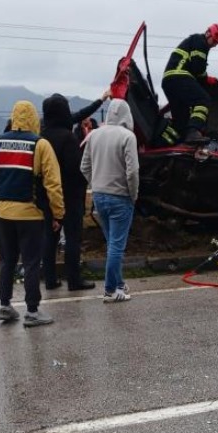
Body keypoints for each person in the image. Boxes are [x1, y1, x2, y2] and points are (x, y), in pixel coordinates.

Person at [0, 100, 64, 327]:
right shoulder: (41, 145)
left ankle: (5, 306)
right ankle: (32, 311)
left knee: (6, 260)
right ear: (33, 119)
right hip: (30, 214)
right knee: (30, 262)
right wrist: (58, 214)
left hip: (1, 213)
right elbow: (53, 185)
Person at [40, 92, 108, 291]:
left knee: (49, 238)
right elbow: (76, 169)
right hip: (69, 196)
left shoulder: (42, 136)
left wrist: (100, 99)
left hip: (46, 197)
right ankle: (74, 279)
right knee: (72, 238)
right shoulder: (67, 138)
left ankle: (50, 279)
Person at [80, 99, 139, 303]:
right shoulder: (128, 137)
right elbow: (132, 172)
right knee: (116, 246)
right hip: (121, 197)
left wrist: (96, 184)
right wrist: (134, 194)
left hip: (99, 196)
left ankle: (120, 283)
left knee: (111, 243)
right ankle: (110, 290)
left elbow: (84, 166)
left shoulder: (94, 134)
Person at [160, 23, 218, 146]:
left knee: (181, 120)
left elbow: (196, 69)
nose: (214, 45)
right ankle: (193, 131)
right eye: (214, 41)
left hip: (169, 81)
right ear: (208, 34)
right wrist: (207, 79)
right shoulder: (199, 42)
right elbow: (198, 68)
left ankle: (163, 143)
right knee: (203, 100)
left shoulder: (195, 42)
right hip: (179, 76)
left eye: (217, 43)